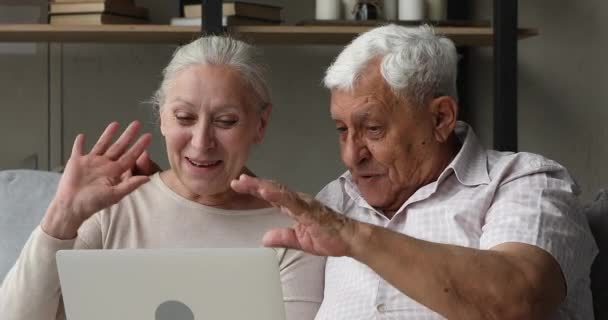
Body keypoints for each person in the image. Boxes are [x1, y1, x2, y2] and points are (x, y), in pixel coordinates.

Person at [230, 25, 598, 319]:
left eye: (373, 129)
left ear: (440, 118)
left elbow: (516, 301)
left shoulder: (524, 183)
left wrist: (355, 237)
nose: (350, 155)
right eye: (342, 130)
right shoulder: (335, 202)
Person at [0, 36, 324, 320]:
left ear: (260, 124)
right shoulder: (114, 207)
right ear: (161, 117)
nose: (201, 142)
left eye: (225, 121)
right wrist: (62, 215)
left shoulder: (294, 230)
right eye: (184, 117)